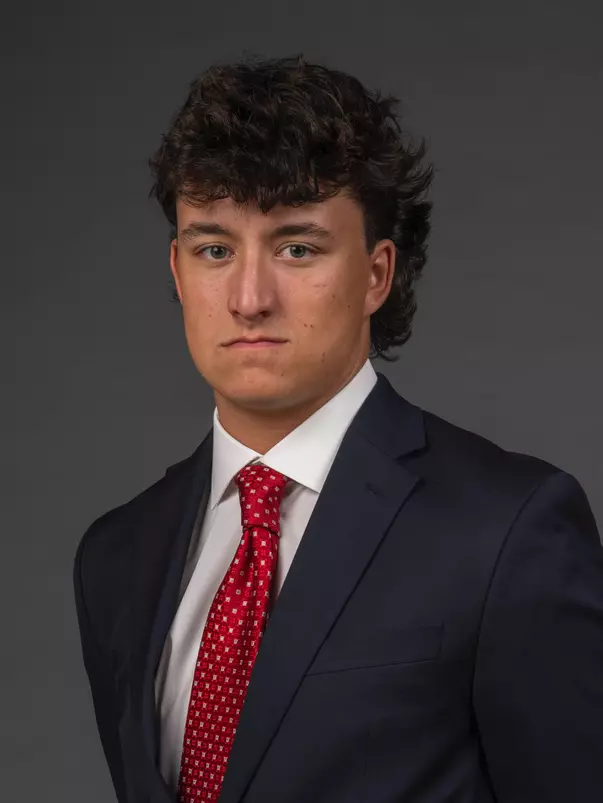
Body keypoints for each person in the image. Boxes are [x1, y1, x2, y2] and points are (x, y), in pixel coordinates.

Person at [73, 53, 603, 803]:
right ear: (177, 269)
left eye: (297, 247)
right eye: (214, 249)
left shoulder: (507, 530)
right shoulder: (116, 556)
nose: (249, 297)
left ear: (375, 275)